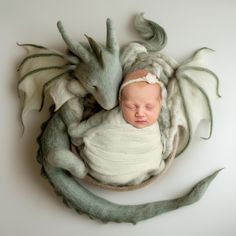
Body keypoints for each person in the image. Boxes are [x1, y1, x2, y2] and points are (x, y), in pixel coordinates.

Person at [68, 69, 167, 186]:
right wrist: (77, 130)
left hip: (143, 168)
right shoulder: (113, 114)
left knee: (153, 156)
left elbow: (163, 139)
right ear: (121, 102)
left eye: (149, 107)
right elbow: (92, 122)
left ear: (160, 103)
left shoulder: (159, 122)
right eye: (131, 107)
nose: (140, 113)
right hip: (102, 166)